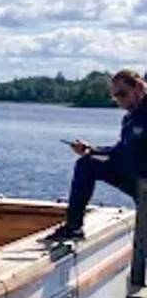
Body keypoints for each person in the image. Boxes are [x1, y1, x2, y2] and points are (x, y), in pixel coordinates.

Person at [49, 69, 147, 239]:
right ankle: (73, 227)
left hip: (143, 179)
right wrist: (91, 150)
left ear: (138, 87)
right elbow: (120, 151)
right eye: (115, 97)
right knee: (86, 164)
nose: (119, 101)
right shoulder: (129, 119)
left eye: (122, 94)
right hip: (133, 178)